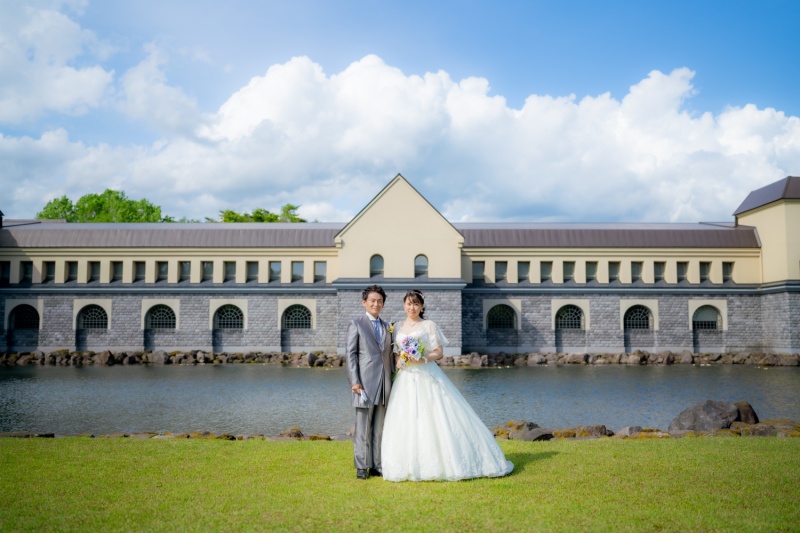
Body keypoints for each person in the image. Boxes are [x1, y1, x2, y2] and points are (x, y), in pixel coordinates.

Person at [381, 289, 514, 482]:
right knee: (407, 417)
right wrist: (399, 361)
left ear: (422, 306)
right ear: (404, 305)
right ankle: (408, 465)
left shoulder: (428, 325)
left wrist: (424, 357)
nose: (412, 307)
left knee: (435, 415)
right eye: (409, 304)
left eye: (416, 304)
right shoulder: (397, 326)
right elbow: (396, 351)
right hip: (405, 378)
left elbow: (439, 352)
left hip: (426, 373)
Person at [345, 285, 394, 480]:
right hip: (363, 384)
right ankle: (362, 466)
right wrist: (355, 381)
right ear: (364, 302)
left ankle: (377, 465)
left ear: (383, 303)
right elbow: (351, 355)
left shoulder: (387, 326)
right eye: (372, 300)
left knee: (379, 428)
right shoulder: (356, 324)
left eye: (379, 301)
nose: (376, 304)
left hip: (384, 383)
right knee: (362, 428)